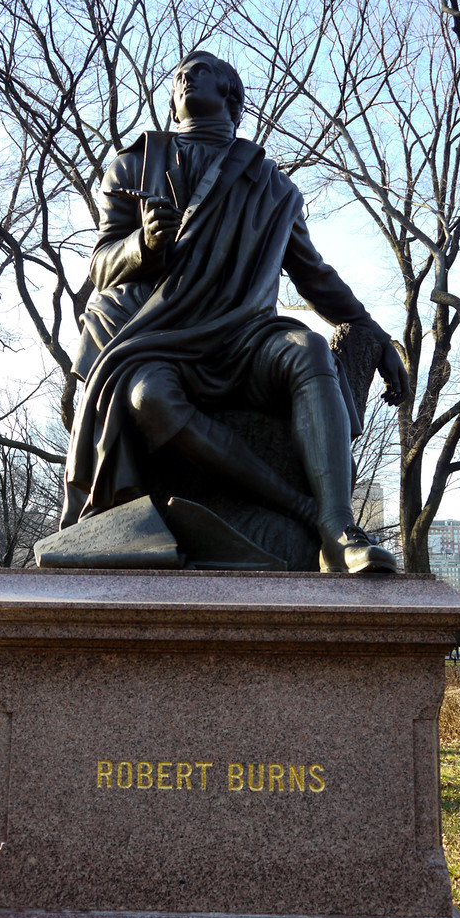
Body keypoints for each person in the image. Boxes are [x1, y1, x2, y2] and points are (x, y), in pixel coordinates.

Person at [61, 51, 409, 573]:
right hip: (159, 339)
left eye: (198, 71)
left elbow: (314, 276)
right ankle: (305, 513)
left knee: (306, 347)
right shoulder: (133, 165)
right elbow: (101, 264)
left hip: (241, 336)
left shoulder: (270, 185)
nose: (183, 76)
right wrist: (143, 246)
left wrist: (374, 332)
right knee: (145, 396)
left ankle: (338, 529)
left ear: (231, 95)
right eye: (178, 75)